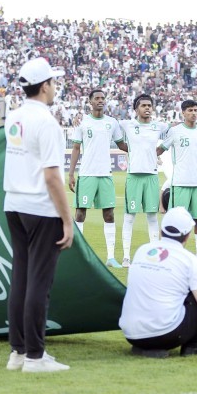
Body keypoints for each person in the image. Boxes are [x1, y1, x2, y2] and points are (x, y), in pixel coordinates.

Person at [3, 58, 73, 373]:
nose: (55, 87)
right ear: (44, 86)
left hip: (14, 204)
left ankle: (18, 352)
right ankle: (34, 356)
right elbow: (52, 177)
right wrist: (67, 220)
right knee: (38, 284)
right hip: (40, 207)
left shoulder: (13, 117)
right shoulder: (47, 123)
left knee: (20, 278)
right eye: (53, 82)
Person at [119, 206, 197, 358]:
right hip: (165, 334)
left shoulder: (142, 250)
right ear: (188, 235)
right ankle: (192, 347)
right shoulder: (191, 261)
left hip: (131, 334)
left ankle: (145, 342)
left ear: (162, 231)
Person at [69, 89, 127, 268]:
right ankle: (77, 255)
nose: (101, 101)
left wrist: (142, 147)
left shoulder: (112, 122)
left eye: (103, 98)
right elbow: (76, 148)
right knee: (80, 213)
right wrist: (71, 173)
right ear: (90, 102)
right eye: (97, 98)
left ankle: (110, 257)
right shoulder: (82, 122)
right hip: (86, 174)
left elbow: (122, 144)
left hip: (106, 175)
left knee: (109, 214)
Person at [158, 100, 197, 264]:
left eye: (195, 110)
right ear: (183, 113)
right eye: (190, 110)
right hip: (180, 183)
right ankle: (173, 254)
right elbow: (161, 148)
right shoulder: (175, 131)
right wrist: (148, 156)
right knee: (175, 220)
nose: (193, 113)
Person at [117, 94, 169, 267]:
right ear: (136, 109)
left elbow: (179, 129)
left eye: (149, 105)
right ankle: (126, 257)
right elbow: (113, 133)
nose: (147, 108)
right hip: (134, 176)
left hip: (152, 176)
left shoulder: (159, 126)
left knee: (152, 217)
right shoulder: (127, 125)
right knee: (129, 217)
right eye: (143, 105)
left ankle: (154, 257)